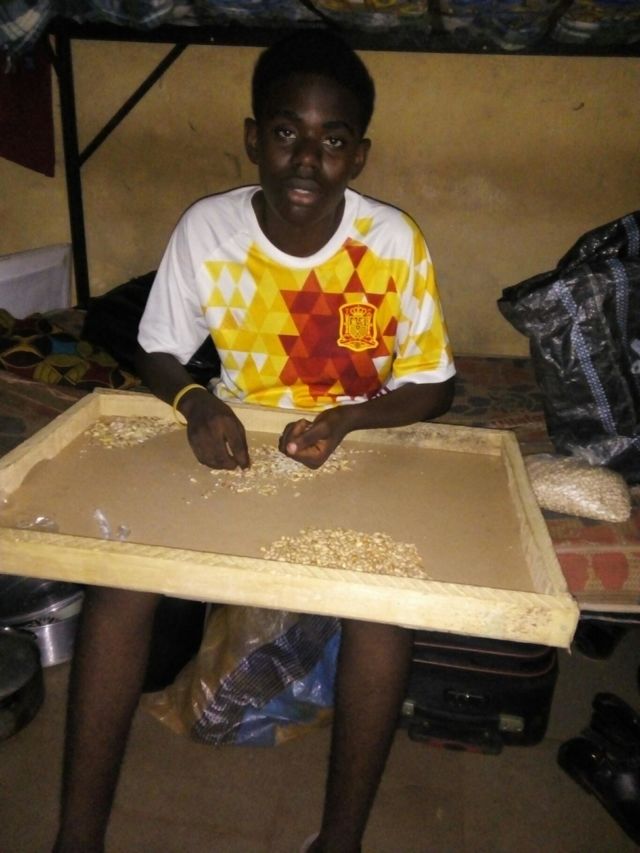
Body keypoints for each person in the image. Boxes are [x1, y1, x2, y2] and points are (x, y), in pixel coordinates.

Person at [53, 29, 455, 853]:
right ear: (252, 138)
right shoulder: (209, 230)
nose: (306, 159)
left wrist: (348, 419)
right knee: (119, 584)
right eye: (284, 132)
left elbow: (434, 383)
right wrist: (196, 401)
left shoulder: (391, 242)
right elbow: (157, 348)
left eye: (332, 141)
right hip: (237, 445)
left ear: (359, 155)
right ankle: (77, 838)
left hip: (359, 442)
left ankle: (340, 841)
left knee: (385, 614)